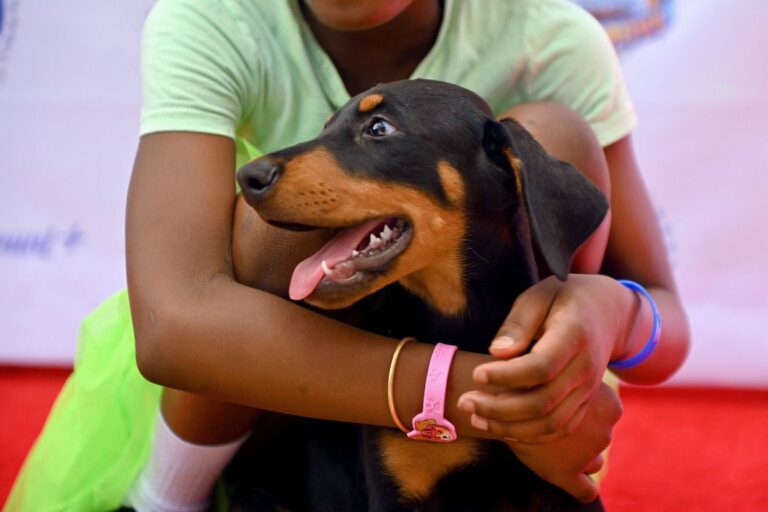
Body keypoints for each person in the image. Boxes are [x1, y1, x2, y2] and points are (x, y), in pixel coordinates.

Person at [7, 0, 690, 510]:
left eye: (378, 128)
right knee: (264, 229)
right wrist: (480, 397)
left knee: (556, 135)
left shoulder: (545, 34)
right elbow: (174, 328)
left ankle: (529, 388)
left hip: (501, 345)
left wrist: (612, 309)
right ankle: (167, 500)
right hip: (253, 365)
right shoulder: (219, 18)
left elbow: (666, 323)